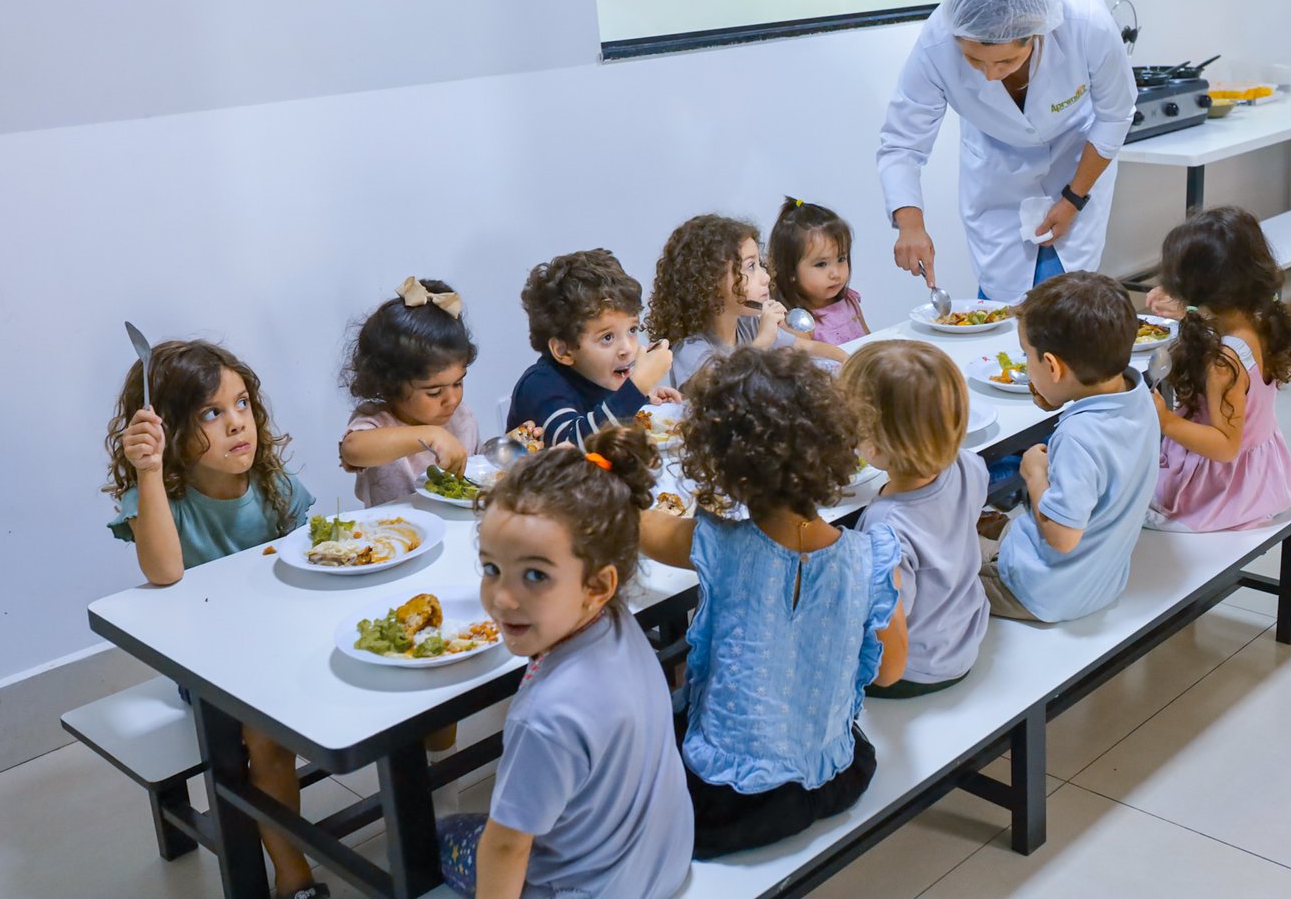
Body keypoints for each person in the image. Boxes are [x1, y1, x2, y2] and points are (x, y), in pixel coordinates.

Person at [639, 346, 906, 858]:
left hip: (728, 800)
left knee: (651, 729)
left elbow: (641, 527)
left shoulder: (715, 542)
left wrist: (614, 469)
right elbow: (891, 672)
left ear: (723, 469)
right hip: (831, 775)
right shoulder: (871, 557)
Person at [104, 340, 325, 899]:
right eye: (211, 413)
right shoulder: (162, 500)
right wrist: (148, 471)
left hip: (282, 643)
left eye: (242, 403)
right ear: (170, 429)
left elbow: (306, 565)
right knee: (268, 739)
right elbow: (164, 572)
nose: (236, 423)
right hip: (211, 666)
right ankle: (294, 875)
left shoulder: (273, 485)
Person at [438, 425, 692, 899]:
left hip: (587, 890)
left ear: (597, 584)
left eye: (535, 575)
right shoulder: (615, 621)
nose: (502, 598)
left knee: (442, 837)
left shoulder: (545, 718)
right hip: (662, 867)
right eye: (492, 568)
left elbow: (507, 847)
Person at [879, 0, 1136, 302]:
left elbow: (1116, 115)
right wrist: (910, 224)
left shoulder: (1086, 23)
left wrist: (1074, 198)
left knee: (1068, 295)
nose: (990, 75)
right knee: (1002, 295)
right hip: (996, 166)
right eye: (974, 60)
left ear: (1036, 36)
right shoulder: (937, 44)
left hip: (1075, 156)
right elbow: (902, 143)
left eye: (1006, 61)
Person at [982, 273, 1159, 623]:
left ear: (1052, 366)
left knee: (935, 579)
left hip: (1043, 592)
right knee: (982, 528)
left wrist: (1034, 475)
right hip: (1101, 579)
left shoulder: (1078, 436)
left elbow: (1063, 537)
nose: (1027, 367)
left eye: (1027, 357)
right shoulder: (1138, 395)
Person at [840, 341, 990, 697]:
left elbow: (887, 631)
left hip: (915, 670)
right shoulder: (968, 464)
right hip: (964, 635)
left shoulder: (885, 526)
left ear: (872, 448)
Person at [1145, 207, 1291, 531]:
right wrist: (1187, 309)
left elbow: (1226, 447)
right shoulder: (1262, 319)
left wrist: (1166, 420)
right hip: (1260, 475)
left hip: (1221, 489)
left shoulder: (1224, 362)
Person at [646, 214, 846, 391]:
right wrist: (763, 340)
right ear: (710, 283)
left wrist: (847, 360)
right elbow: (724, 390)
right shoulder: (689, 350)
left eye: (760, 264)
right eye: (751, 267)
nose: (766, 277)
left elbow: (805, 347)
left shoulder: (749, 325)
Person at [508, 248, 679, 447]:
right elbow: (573, 446)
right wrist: (637, 386)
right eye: (607, 337)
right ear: (564, 351)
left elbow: (606, 411)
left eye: (632, 329)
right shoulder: (540, 386)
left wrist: (643, 396)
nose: (627, 349)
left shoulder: (598, 374)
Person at [339, 277, 480, 507]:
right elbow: (352, 450)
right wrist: (431, 436)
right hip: (394, 528)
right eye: (434, 392)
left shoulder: (462, 417)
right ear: (391, 386)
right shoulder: (378, 421)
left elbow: (479, 473)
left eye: (458, 383)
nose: (452, 399)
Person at [768, 196, 869, 346]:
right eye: (821, 264)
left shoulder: (850, 301)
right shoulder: (798, 322)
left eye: (841, 259)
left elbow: (870, 342)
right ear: (790, 272)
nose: (835, 274)